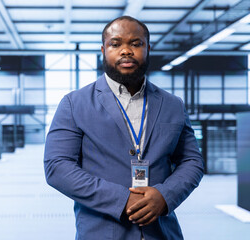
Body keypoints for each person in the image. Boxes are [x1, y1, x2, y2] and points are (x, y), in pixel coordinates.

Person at [44, 15, 204, 240]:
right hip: (102, 232)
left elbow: (192, 161)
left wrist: (164, 196)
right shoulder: (74, 104)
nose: (126, 51)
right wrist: (122, 199)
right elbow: (57, 167)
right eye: (116, 44)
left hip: (162, 232)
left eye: (136, 43)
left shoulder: (172, 104)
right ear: (103, 50)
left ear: (148, 48)